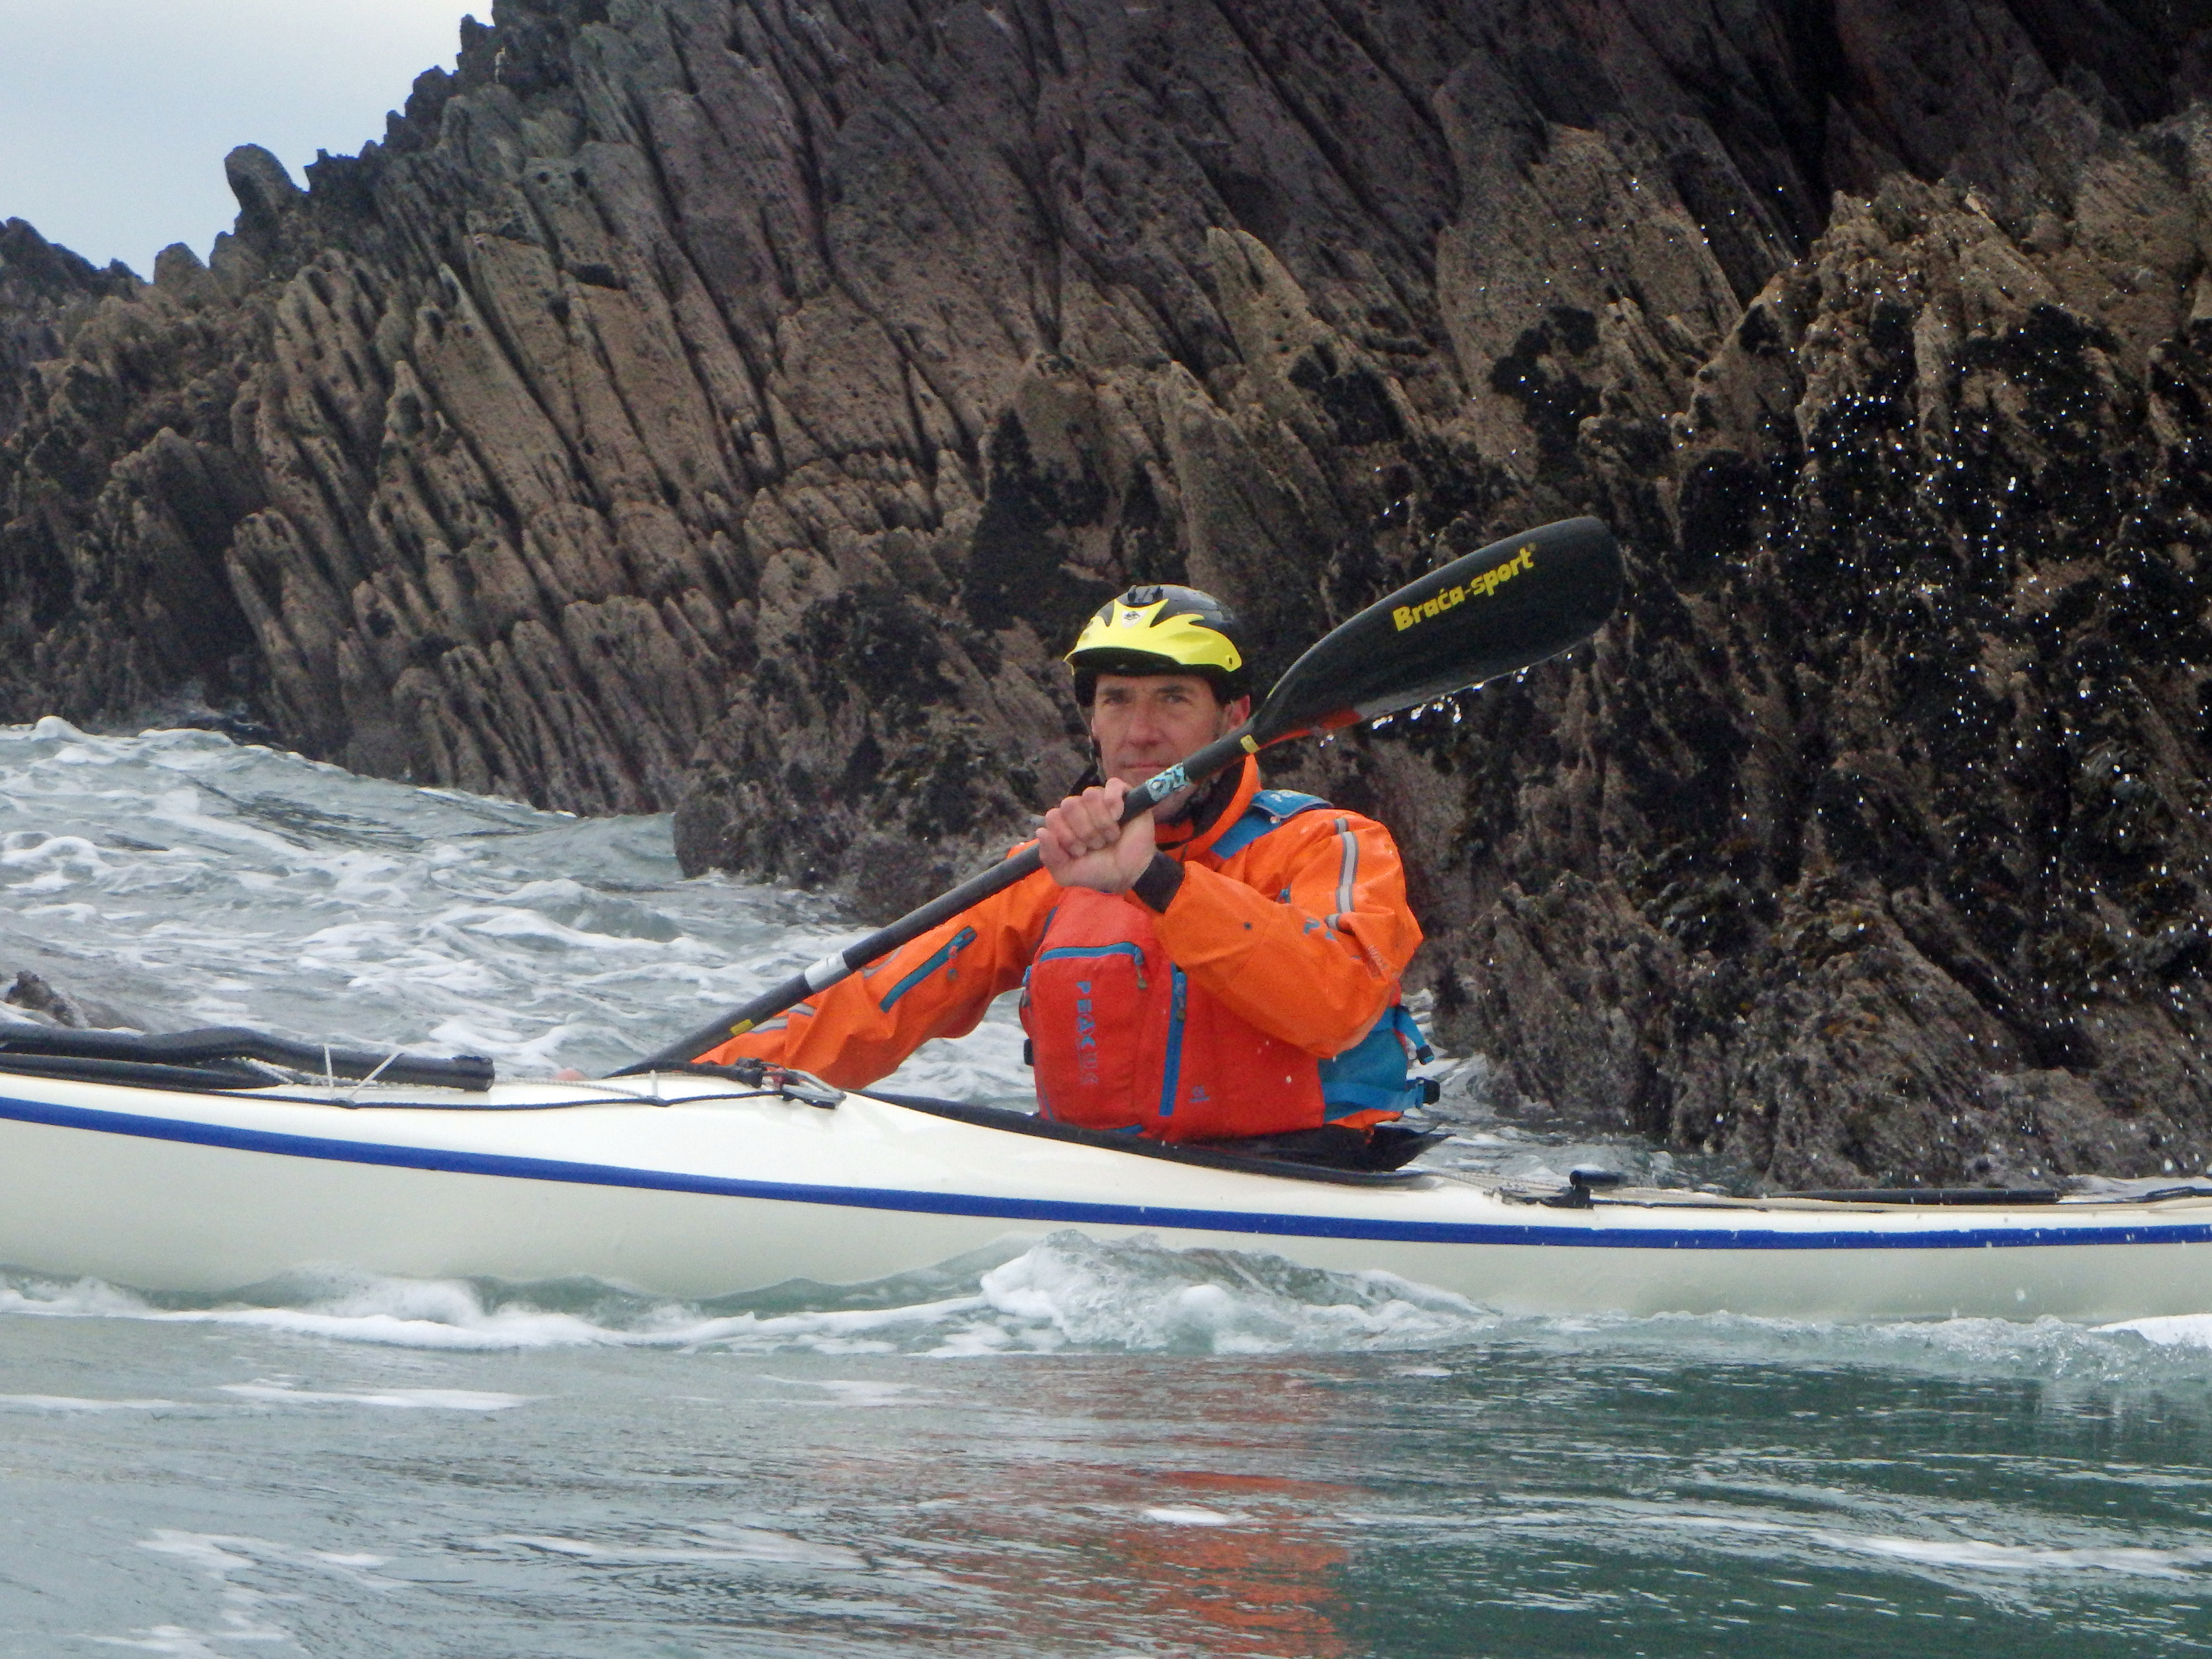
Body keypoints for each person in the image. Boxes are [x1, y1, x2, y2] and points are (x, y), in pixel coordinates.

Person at [695, 584, 1430, 1151]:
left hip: (1310, 1182)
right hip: (1099, 1196)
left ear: (1233, 717)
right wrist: (690, 1085)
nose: (1141, 732)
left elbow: (1332, 1006)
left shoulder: (1330, 843)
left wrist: (1157, 882)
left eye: (1174, 699)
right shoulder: (1048, 871)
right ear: (1092, 722)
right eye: (1117, 702)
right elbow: (878, 999)